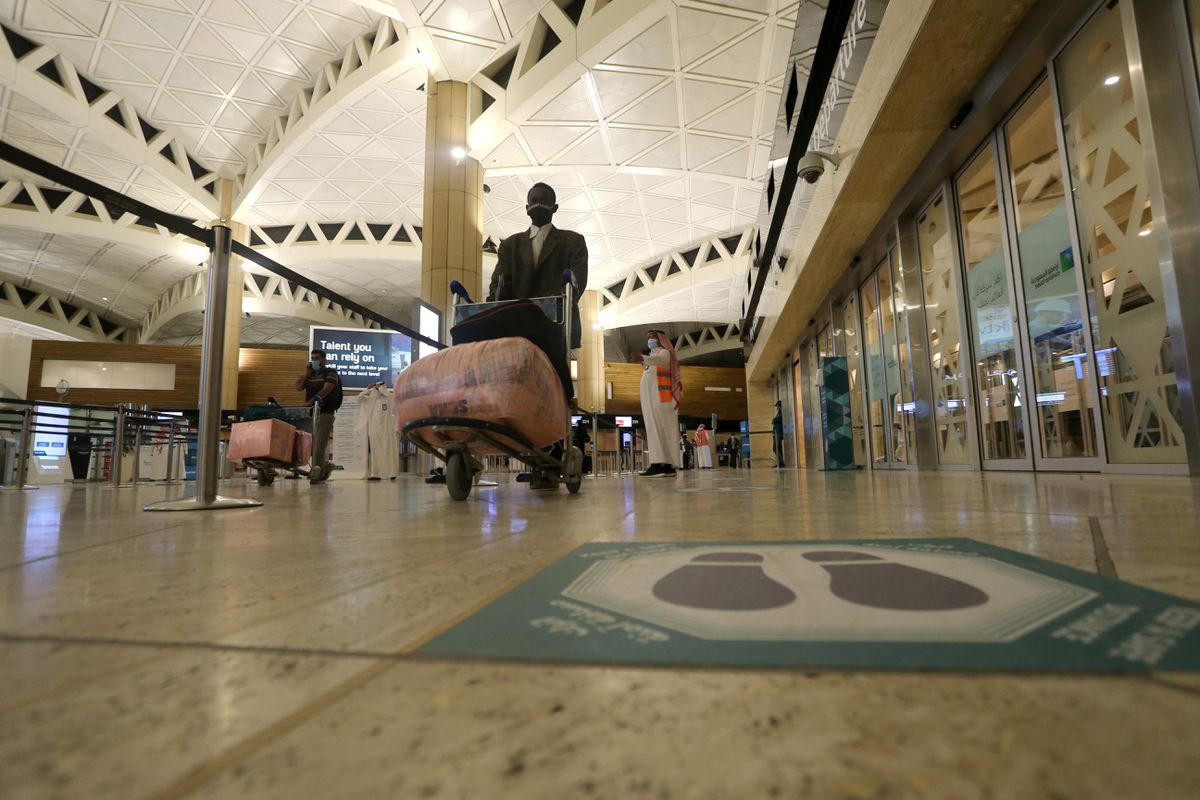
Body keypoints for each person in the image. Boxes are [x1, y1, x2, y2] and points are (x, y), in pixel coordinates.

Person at [487, 182, 589, 350]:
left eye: (543, 200)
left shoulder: (573, 242)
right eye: (533, 200)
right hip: (516, 330)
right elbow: (499, 285)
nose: (537, 204)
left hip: (557, 330)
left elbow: (577, 283)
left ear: (554, 207)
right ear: (527, 207)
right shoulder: (510, 245)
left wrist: (550, 308)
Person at [634, 330, 682, 476]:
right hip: (652, 401)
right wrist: (643, 360)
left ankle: (661, 465)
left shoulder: (664, 353)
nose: (649, 340)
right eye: (648, 337)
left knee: (663, 432)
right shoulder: (652, 357)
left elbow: (661, 362)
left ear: (660, 339)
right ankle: (662, 465)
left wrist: (643, 358)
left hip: (662, 400)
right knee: (654, 431)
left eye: (652, 337)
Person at [295, 349, 342, 484]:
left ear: (324, 359)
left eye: (317, 358)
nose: (314, 361)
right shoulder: (311, 375)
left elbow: (326, 389)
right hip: (311, 414)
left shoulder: (331, 372)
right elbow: (299, 387)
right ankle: (324, 466)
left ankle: (317, 472)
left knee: (319, 444)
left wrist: (310, 402)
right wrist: (307, 373)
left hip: (325, 412)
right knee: (312, 443)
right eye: (313, 358)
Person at [772, 400, 786, 468]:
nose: (776, 407)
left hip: (779, 433)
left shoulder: (782, 413)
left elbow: (775, 420)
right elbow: (774, 420)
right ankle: (780, 462)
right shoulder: (778, 413)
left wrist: (774, 420)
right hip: (775, 433)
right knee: (778, 448)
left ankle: (781, 462)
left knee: (776, 448)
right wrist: (774, 420)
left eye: (777, 406)